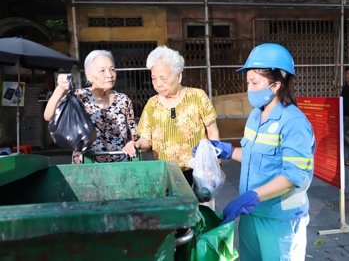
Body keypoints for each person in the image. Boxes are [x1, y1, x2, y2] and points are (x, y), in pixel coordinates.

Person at [194, 43, 315, 260]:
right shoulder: (255, 115)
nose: (249, 88)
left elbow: (293, 176)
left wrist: (253, 196)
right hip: (251, 214)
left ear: (276, 85)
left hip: (280, 219)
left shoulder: (294, 122)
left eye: (254, 82)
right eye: (248, 82)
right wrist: (227, 151)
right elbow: (253, 155)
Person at [122, 45, 220, 186]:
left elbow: (213, 132)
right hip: (166, 174)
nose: (158, 84)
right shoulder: (152, 104)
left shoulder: (198, 97)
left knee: (200, 207)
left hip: (200, 171)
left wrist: (214, 167)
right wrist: (136, 144)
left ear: (178, 76)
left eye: (163, 78)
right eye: (154, 78)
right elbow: (146, 141)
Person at [44, 50, 140, 163]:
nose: (109, 75)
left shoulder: (123, 100)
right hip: (87, 167)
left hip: (121, 167)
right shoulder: (78, 97)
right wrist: (60, 88)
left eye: (112, 69)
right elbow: (49, 116)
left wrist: (134, 144)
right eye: (102, 71)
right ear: (89, 75)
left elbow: (134, 136)